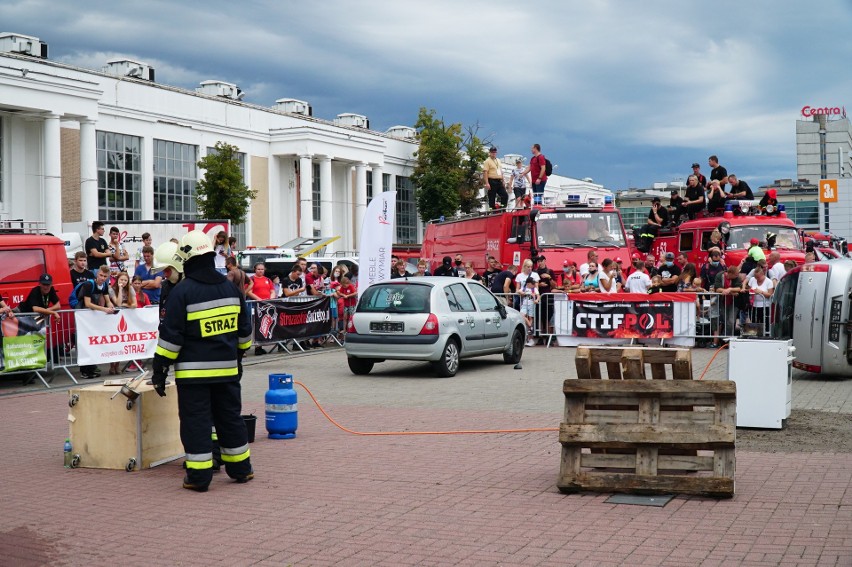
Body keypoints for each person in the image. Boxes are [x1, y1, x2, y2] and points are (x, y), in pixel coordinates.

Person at [152, 230, 253, 492]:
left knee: (197, 422)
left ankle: (199, 477)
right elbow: (245, 332)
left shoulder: (183, 292)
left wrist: (160, 369)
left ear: (185, 257)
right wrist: (238, 358)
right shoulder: (230, 288)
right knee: (229, 418)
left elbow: (171, 339)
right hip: (228, 371)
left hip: (193, 375)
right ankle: (241, 469)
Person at [77, 266, 117, 379]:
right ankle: (84, 371)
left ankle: (91, 368)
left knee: (92, 341)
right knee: (84, 341)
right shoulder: (88, 285)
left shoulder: (104, 285)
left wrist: (111, 306)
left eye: (105, 276)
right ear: (97, 274)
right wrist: (104, 309)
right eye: (101, 275)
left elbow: (107, 300)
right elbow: (88, 303)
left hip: (91, 315)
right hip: (82, 313)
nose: (102, 278)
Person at [108, 271, 137, 374]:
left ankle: (118, 365)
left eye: (125, 280)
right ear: (117, 280)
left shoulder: (130, 289)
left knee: (122, 342)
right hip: (114, 317)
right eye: (121, 280)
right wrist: (120, 289)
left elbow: (135, 304)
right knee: (114, 342)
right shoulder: (112, 289)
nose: (123, 282)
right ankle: (112, 366)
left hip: (125, 316)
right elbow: (118, 303)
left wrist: (126, 306)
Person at [518, 279, 540, 346]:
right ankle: (530, 327)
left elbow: (538, 295)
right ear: (528, 283)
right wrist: (521, 293)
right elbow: (518, 291)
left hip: (531, 304)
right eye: (531, 283)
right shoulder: (524, 288)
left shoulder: (534, 289)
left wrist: (536, 300)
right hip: (524, 304)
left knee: (531, 318)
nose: (532, 285)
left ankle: (530, 339)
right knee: (522, 315)